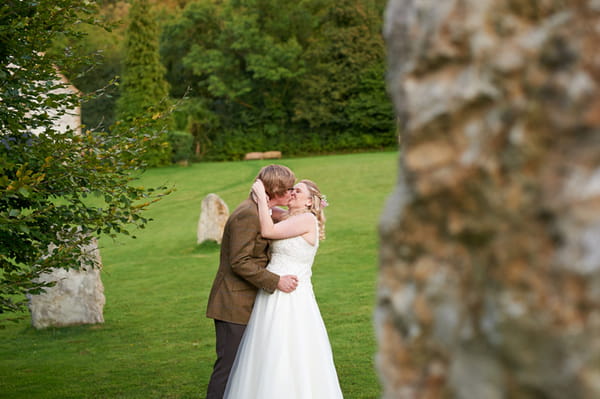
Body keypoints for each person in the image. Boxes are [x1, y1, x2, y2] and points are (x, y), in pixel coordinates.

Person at [224, 179, 343, 399]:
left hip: (292, 296)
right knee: (266, 348)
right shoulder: (290, 217)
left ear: (309, 202)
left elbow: (268, 230)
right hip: (272, 293)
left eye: (298, 191)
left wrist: (261, 197)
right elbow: (271, 211)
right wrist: (266, 200)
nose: (292, 193)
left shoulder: (307, 219)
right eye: (291, 189)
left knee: (288, 347)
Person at [205, 164, 299, 399]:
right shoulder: (247, 213)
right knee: (229, 369)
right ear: (274, 189)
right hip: (233, 304)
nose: (291, 193)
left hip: (248, 303)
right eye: (287, 189)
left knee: (245, 369)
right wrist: (276, 281)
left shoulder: (260, 210)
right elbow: (240, 261)